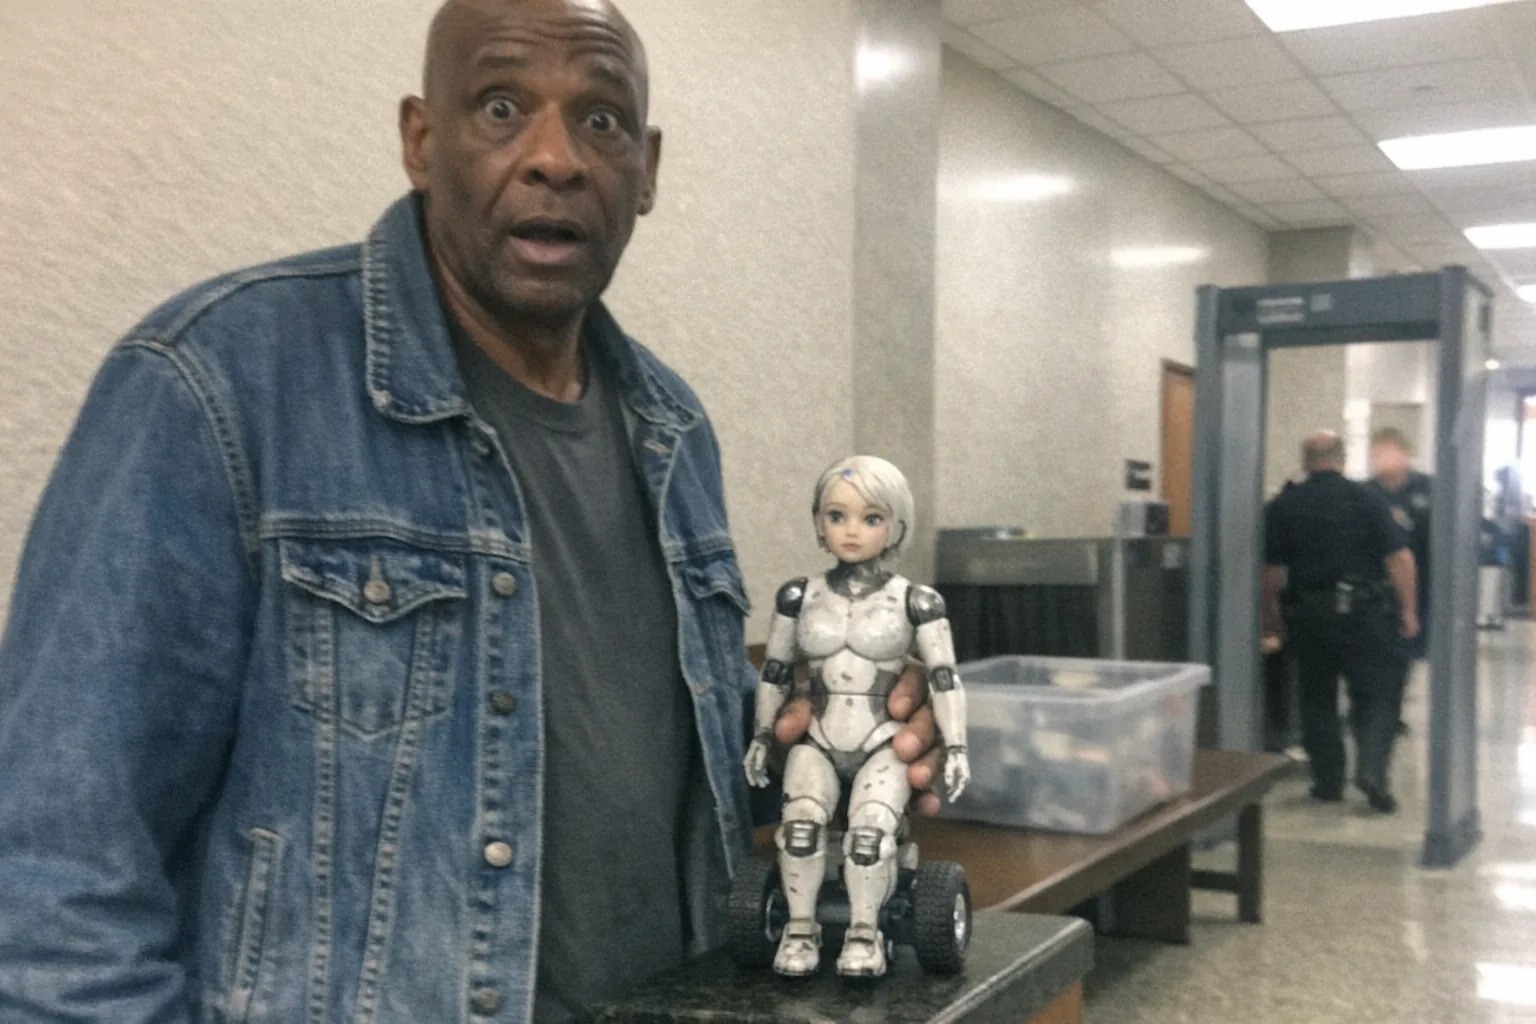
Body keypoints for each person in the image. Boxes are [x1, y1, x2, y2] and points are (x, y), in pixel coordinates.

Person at [0, 2, 948, 1021]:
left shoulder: (673, 430)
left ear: (647, 168)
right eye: (501, 107)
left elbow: (639, 783)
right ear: (421, 139)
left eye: (601, 121)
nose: (555, 158)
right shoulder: (218, 383)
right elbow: (54, 885)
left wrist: (838, 728)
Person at [742, 456, 970, 978]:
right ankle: (801, 929)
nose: (851, 530)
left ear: (896, 527)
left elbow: (943, 677)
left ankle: (865, 933)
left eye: (871, 518)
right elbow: (775, 670)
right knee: (800, 831)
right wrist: (762, 734)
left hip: (882, 741)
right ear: (818, 523)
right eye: (836, 515)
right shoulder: (799, 596)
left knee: (869, 838)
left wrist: (956, 745)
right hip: (818, 737)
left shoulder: (916, 601)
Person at [1263, 431, 1419, 813]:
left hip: (1309, 614)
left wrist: (1271, 617)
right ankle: (1371, 771)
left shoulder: (1284, 504)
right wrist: (1408, 610)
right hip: (1364, 613)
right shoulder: (1367, 498)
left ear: (1305, 461)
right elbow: (1400, 558)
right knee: (1376, 695)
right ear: (1342, 459)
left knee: (1316, 699)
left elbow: (1270, 571)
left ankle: (1328, 782)